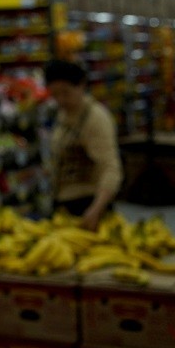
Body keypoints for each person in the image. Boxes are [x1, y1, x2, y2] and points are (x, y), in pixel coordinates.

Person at [44, 59, 123, 231]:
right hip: (63, 206)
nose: (61, 100)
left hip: (88, 205)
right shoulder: (63, 116)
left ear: (81, 86)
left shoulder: (95, 119)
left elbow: (111, 168)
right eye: (55, 94)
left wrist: (96, 209)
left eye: (66, 93)